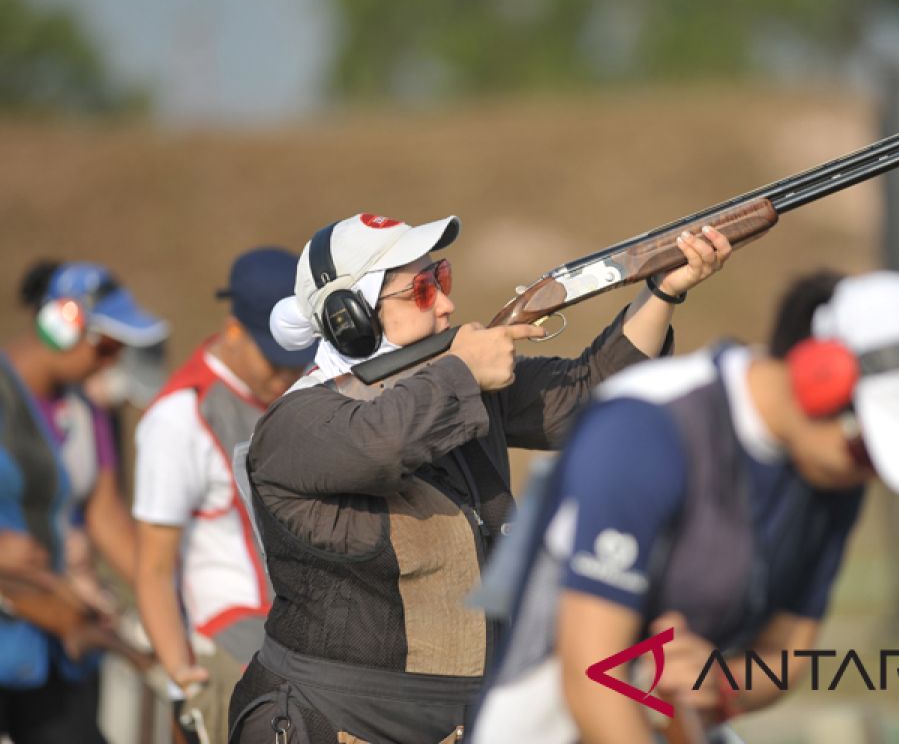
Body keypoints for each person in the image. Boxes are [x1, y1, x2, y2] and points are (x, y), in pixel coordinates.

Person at [227, 212, 734, 743]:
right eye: (422, 290)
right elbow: (380, 445)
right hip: (332, 720)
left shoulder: (450, 384)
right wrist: (464, 371)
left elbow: (590, 394)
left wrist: (661, 292)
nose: (446, 302)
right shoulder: (295, 424)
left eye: (441, 278)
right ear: (349, 318)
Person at [471, 269, 899, 744]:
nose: (871, 473)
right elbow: (590, 677)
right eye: (870, 449)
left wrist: (720, 682)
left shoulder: (833, 468)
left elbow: (787, 653)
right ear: (818, 378)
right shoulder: (647, 426)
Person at [133, 248, 318, 744]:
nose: (288, 374)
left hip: (299, 649)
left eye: (299, 359)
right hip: (227, 652)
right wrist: (182, 678)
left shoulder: (295, 396)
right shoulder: (178, 419)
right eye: (276, 360)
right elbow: (152, 568)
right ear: (234, 330)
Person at [0, 260, 168, 743]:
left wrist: (165, 597)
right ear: (61, 324)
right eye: (108, 344)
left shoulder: (86, 409)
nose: (112, 361)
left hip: (59, 638)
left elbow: (105, 515)